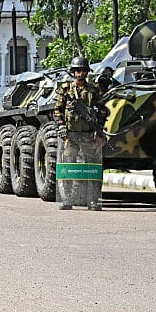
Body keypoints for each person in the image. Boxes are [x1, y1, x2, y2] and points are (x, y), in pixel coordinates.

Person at [53, 55, 107, 211]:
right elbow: (57, 110)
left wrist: (99, 129)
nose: (80, 73)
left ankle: (93, 201)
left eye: (83, 70)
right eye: (77, 70)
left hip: (89, 135)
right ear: (73, 72)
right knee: (68, 168)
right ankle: (67, 200)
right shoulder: (66, 90)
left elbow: (102, 110)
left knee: (92, 170)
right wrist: (61, 127)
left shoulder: (94, 90)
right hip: (71, 136)